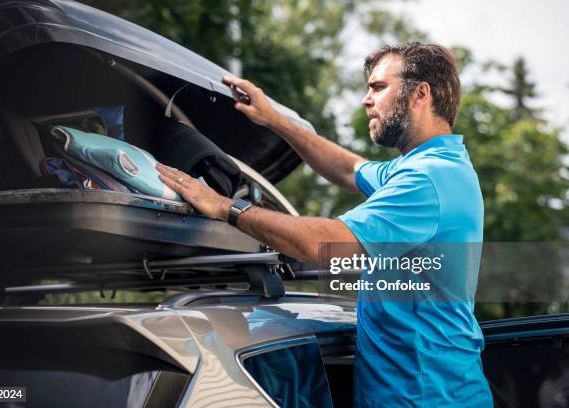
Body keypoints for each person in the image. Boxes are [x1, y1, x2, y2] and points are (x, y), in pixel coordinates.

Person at [156, 42, 493, 407]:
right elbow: (348, 168)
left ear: (420, 94)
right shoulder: (430, 165)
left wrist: (227, 208)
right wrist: (274, 120)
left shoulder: (427, 180)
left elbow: (329, 243)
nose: (367, 100)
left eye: (378, 87)